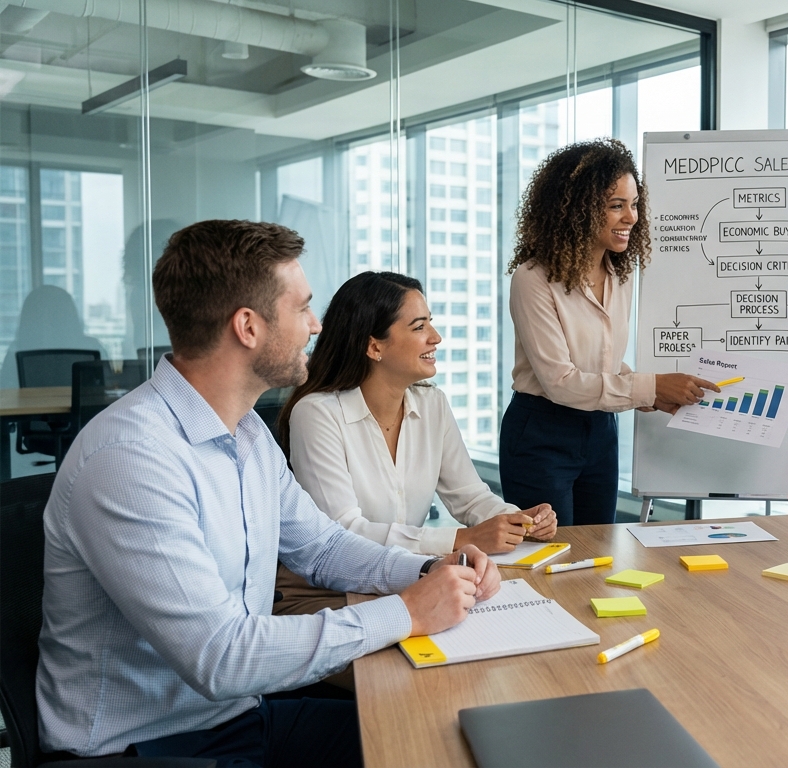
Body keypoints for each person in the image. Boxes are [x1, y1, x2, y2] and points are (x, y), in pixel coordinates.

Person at [36, 220, 500, 764]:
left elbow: (322, 547)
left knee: (437, 742)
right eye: (301, 307)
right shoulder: (130, 459)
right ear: (248, 327)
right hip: (140, 747)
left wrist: (430, 572)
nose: (316, 324)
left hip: (236, 719)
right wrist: (407, 612)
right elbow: (221, 657)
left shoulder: (248, 432)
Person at [276, 270, 555, 621]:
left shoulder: (432, 404)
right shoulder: (316, 413)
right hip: (327, 594)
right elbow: (343, 532)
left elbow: (469, 496)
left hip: (408, 581)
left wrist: (516, 519)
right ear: (374, 345)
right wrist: (459, 540)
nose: (435, 338)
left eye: (430, 324)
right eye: (420, 327)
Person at [503, 138, 718, 526]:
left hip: (601, 430)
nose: (631, 217)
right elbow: (561, 382)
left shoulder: (621, 274)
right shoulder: (533, 278)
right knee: (548, 558)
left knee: (597, 552)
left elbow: (602, 363)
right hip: (542, 432)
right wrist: (650, 386)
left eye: (634, 204)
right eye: (616, 206)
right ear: (576, 211)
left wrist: (646, 396)